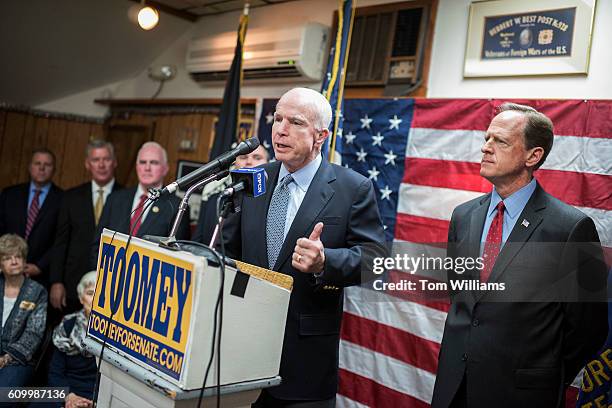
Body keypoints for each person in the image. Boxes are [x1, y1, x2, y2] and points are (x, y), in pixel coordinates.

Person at [431, 103, 608, 408]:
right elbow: (463, 299)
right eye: (487, 138)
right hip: (455, 387)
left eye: (500, 141)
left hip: (521, 394)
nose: (486, 148)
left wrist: (541, 372)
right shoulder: (464, 216)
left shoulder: (570, 228)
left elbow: (587, 329)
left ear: (533, 156)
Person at [222, 87, 386, 407]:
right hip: (240, 356)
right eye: (278, 118)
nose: (280, 129)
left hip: (303, 365)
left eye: (295, 122)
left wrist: (326, 263)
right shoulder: (252, 180)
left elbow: (375, 261)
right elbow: (231, 255)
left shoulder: (353, 189)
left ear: (321, 135)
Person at [91, 141, 190, 267]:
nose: (147, 168)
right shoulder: (115, 199)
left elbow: (177, 258)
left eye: (154, 162)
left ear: (165, 169)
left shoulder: (177, 207)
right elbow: (98, 245)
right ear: (137, 167)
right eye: (143, 162)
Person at [50, 140, 121, 314]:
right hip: (73, 284)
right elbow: (61, 242)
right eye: (96, 160)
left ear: (115, 162)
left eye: (106, 159)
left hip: (111, 286)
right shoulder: (71, 197)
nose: (102, 164)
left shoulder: (127, 199)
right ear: (87, 164)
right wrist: (56, 282)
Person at [0, 148, 63, 288]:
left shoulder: (64, 200)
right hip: (5, 272)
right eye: (37, 163)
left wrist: (40, 266)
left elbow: (61, 240)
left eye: (47, 164)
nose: (42, 168)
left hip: (40, 277)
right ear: (30, 167)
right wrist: (8, 260)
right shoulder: (9, 194)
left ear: (54, 169)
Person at [193, 144, 269, 246]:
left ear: (268, 163)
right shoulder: (216, 199)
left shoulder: (271, 204)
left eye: (257, 158)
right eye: (243, 157)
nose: (249, 161)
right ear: (235, 163)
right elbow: (197, 240)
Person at [0, 234, 47, 387]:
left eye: (18, 257)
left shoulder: (37, 292)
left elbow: (34, 333)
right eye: (7, 258)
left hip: (17, 360)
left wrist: (6, 358)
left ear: (24, 260)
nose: (14, 261)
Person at [48, 271, 98, 408]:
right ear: (81, 298)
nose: (95, 299)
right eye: (90, 293)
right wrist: (69, 397)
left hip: (96, 395)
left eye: (100, 294)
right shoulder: (68, 325)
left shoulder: (117, 333)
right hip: (66, 391)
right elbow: (55, 372)